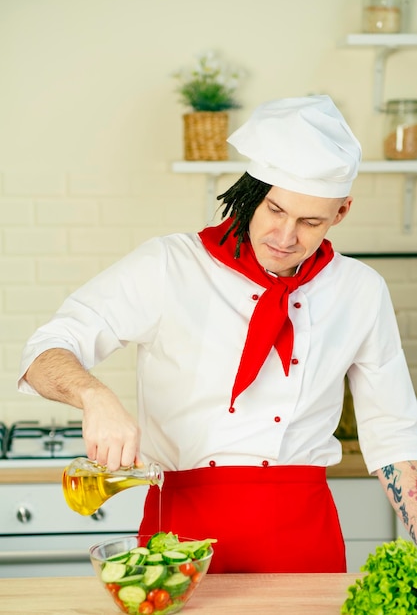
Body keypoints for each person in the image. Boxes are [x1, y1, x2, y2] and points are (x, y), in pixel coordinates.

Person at [18, 95, 417, 574]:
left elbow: (394, 437)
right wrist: (94, 396)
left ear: (342, 211)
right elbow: (44, 350)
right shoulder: (170, 264)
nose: (285, 236)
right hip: (180, 541)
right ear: (252, 191)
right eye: (274, 210)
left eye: (311, 221)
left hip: (303, 540)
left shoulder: (360, 291)